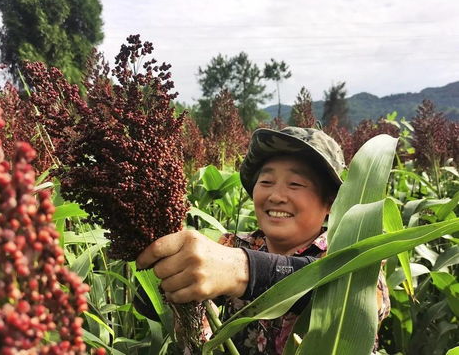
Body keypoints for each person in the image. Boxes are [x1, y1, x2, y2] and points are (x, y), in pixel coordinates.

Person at [135, 126, 390, 354]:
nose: (276, 195)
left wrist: (243, 270)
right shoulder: (232, 246)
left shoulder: (352, 256)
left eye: (295, 184)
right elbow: (170, 311)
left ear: (331, 202)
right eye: (266, 181)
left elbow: (355, 296)